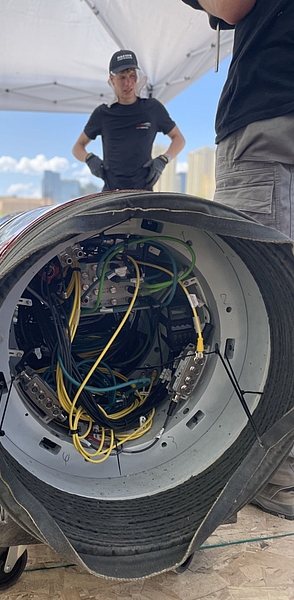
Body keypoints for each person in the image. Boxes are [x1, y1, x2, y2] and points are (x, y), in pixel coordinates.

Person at [182, 0, 294, 519]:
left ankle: (270, 471)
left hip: (269, 123)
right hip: (277, 126)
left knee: (261, 313)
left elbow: (232, 4)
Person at [72, 49, 185, 191]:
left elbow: (179, 139)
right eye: (122, 77)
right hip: (112, 194)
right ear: (112, 79)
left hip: (143, 193)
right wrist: (89, 159)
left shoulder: (152, 108)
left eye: (132, 76)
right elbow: (77, 148)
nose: (128, 83)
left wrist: (163, 159)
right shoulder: (102, 113)